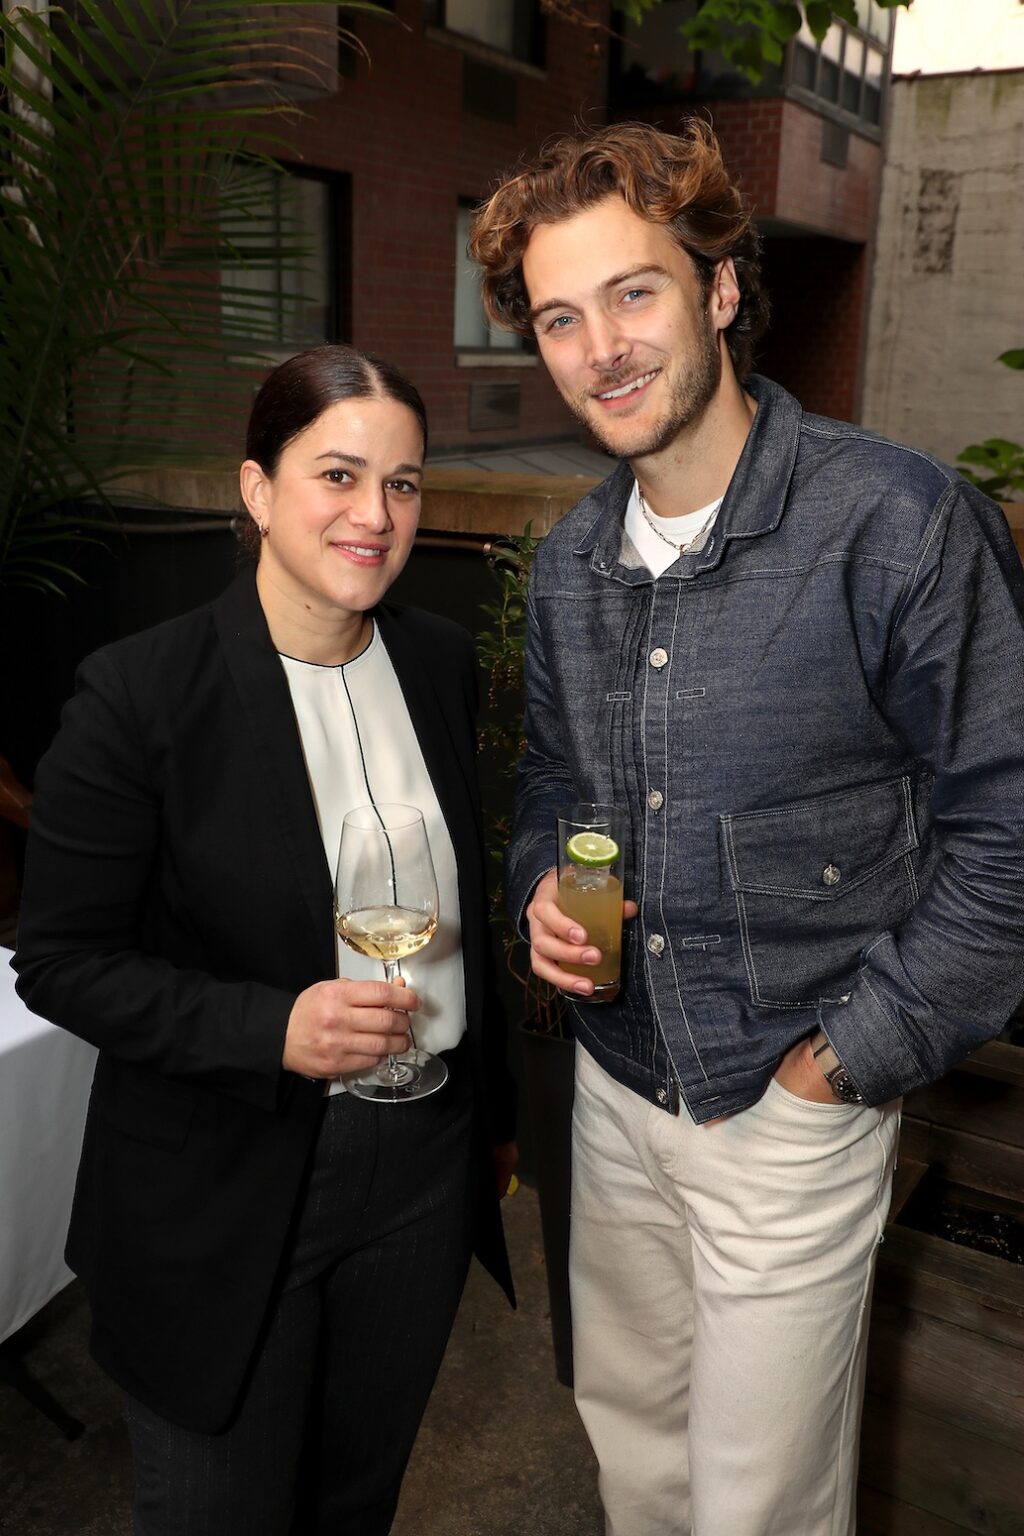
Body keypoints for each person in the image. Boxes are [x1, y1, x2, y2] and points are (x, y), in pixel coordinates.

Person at [470, 120, 1024, 1535]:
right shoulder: (570, 565)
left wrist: (843, 1070)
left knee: (758, 1508)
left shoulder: (897, 524)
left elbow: (1010, 837)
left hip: (788, 1104)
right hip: (612, 1091)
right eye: (559, 318)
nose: (601, 348)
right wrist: (541, 882)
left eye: (634, 292)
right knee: (635, 1453)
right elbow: (550, 788)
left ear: (720, 288)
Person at [13, 344, 517, 1536]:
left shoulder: (440, 662)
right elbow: (63, 960)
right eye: (337, 475)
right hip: (225, 1178)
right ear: (256, 491)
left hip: (421, 1167)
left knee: (355, 1500)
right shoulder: (139, 695)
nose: (374, 514)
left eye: (402, 484)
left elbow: (468, 914)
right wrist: (270, 1026)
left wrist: (488, 1119)